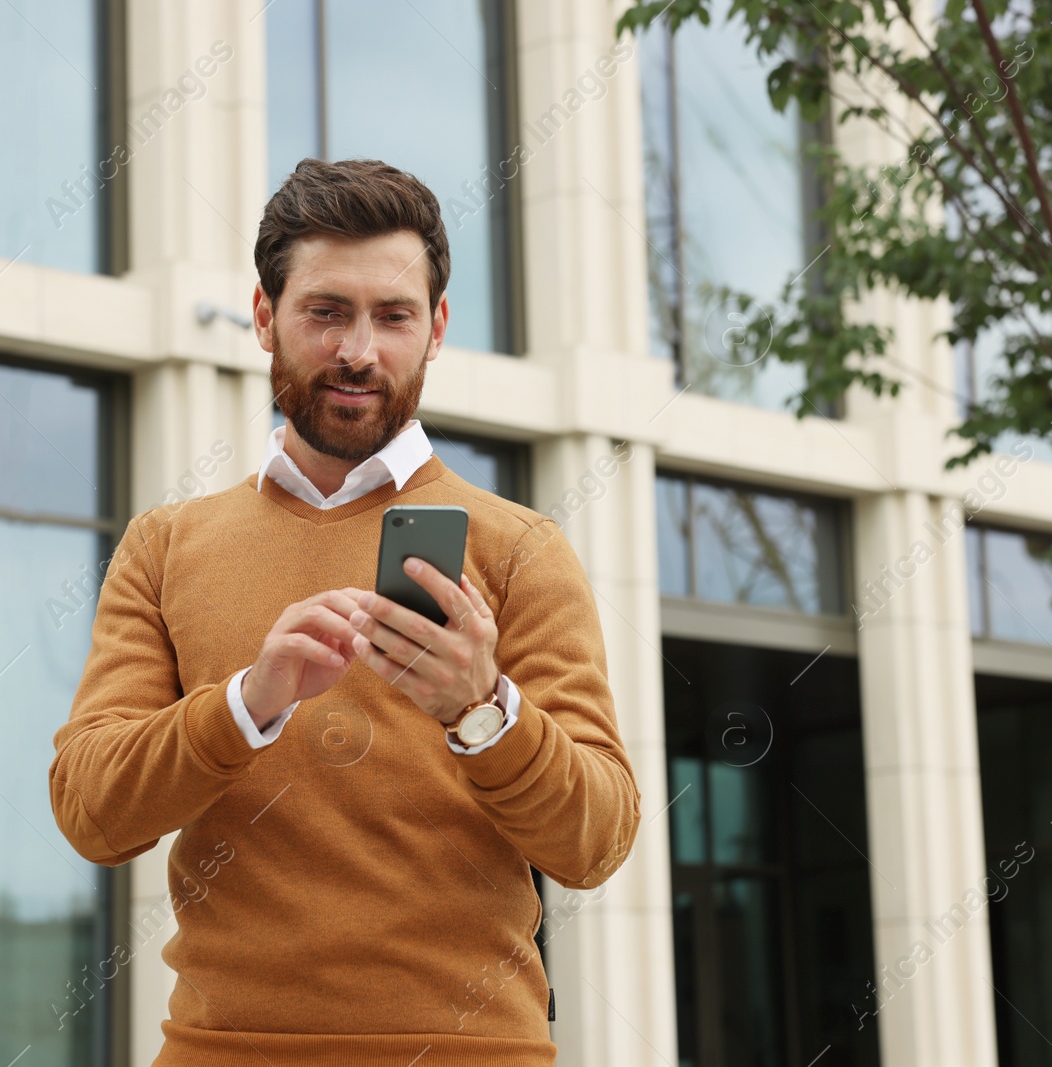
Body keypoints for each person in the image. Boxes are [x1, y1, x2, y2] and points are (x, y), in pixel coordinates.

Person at [48, 157, 641, 1066]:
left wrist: (485, 711)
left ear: (436, 328)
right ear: (263, 317)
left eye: (393, 315)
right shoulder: (165, 546)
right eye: (325, 311)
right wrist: (248, 701)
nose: (358, 349)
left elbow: (596, 840)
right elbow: (93, 811)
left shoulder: (522, 549)